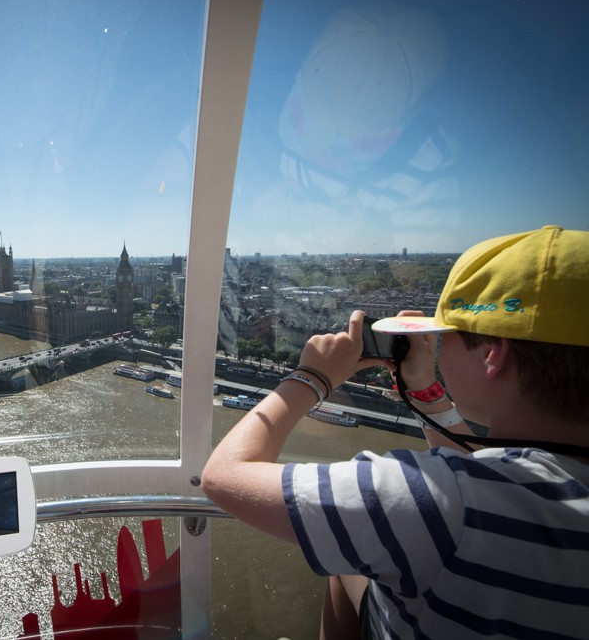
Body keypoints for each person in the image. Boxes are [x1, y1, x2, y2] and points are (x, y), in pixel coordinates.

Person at [202, 225, 589, 639]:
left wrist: (310, 377)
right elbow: (485, 475)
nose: (437, 348)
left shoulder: (429, 503)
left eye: (444, 337)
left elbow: (222, 476)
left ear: (493, 355)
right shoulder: (514, 492)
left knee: (351, 560)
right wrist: (425, 390)